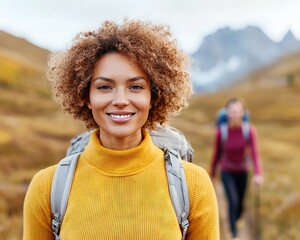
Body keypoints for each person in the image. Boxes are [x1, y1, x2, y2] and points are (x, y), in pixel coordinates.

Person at [23, 19, 219, 239]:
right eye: (104, 87)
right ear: (86, 96)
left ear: (153, 96)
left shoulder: (194, 185)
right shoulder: (45, 188)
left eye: (135, 87)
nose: (120, 100)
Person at [210, 98, 263, 240]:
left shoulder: (249, 131)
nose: (235, 114)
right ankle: (233, 233)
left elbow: (255, 154)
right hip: (227, 171)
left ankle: (237, 220)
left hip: (243, 170)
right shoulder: (221, 132)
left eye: (238, 111)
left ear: (243, 113)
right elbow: (216, 154)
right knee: (232, 201)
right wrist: (212, 173)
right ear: (227, 113)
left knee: (240, 203)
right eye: (232, 111)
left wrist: (258, 174)